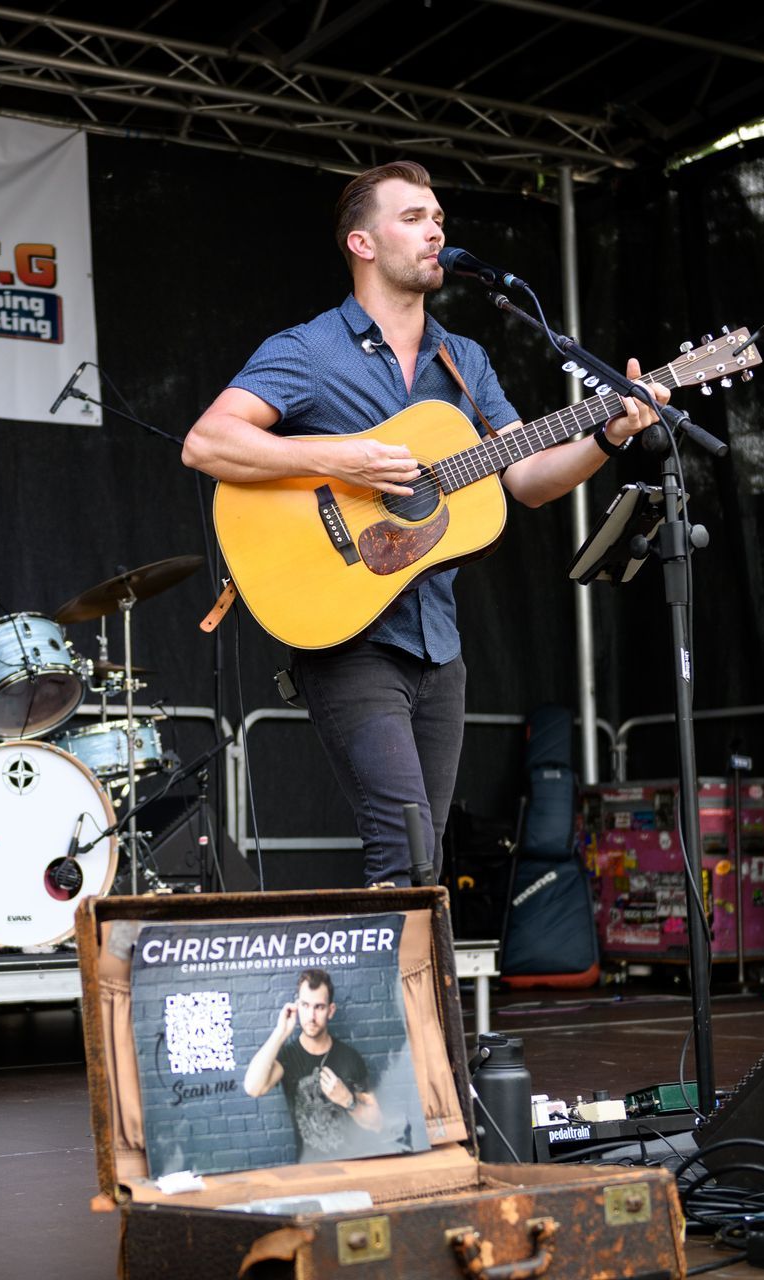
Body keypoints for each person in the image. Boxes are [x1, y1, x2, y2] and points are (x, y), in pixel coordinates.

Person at [181, 160, 666, 887]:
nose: (436, 229)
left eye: (438, 217)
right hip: (349, 638)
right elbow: (207, 443)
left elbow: (525, 478)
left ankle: (412, 1001)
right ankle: (400, 1005)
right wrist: (344, 461)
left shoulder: (463, 360)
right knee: (403, 854)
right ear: (362, 243)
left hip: (439, 647)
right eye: (413, 217)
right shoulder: (312, 349)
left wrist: (607, 437)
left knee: (424, 861)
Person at [242, 969, 386, 1162]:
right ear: (297, 1007)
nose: (311, 1016)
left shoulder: (350, 1058)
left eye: (319, 1007)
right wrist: (280, 1032)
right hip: (309, 1169)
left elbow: (376, 1123)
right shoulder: (288, 1056)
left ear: (331, 1010)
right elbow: (253, 1088)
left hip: (353, 1165)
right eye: (305, 1005)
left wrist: (348, 1101)